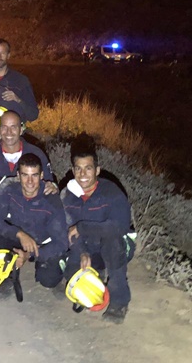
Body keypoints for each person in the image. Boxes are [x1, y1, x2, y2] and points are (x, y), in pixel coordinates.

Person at [61, 138, 136, 323]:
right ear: (73, 171)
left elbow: (118, 227)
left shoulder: (111, 192)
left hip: (116, 244)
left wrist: (82, 227)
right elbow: (68, 229)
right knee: (71, 275)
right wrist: (82, 251)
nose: (83, 174)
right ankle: (96, 272)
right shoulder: (67, 195)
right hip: (88, 246)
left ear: (97, 170)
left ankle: (119, 301)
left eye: (88, 168)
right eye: (78, 169)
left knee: (112, 244)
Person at [0, 153, 68, 300]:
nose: (30, 181)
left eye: (34, 175)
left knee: (49, 279)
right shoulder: (10, 190)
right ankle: (8, 275)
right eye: (25, 175)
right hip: (19, 238)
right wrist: (19, 233)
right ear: (18, 175)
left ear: (42, 175)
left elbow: (61, 242)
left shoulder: (51, 200)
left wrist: (30, 254)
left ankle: (58, 273)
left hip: (42, 243)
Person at [0, 110, 57, 193]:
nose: (9, 132)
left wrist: (53, 187)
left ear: (21, 130)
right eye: (4, 127)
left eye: (13, 127)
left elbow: (49, 184)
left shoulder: (36, 154)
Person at [0, 38, 39, 122]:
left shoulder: (21, 81)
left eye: (2, 53)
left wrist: (18, 100)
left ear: (8, 55)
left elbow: (33, 115)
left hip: (11, 129)